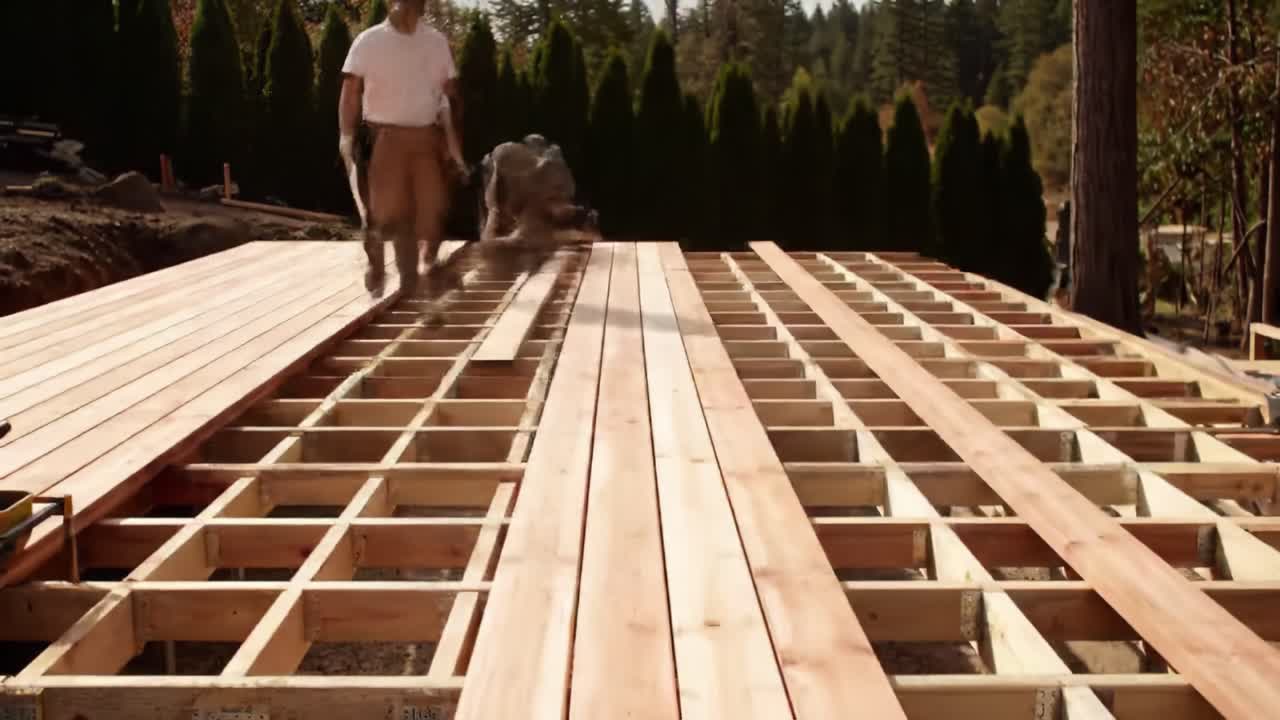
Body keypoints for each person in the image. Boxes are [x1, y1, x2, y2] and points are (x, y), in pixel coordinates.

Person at [338, 0, 467, 297]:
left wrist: (453, 148)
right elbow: (350, 92)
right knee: (384, 217)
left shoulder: (435, 43)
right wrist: (346, 135)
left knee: (428, 211)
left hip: (424, 137)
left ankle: (419, 279)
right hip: (383, 138)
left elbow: (450, 99)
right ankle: (378, 267)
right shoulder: (369, 42)